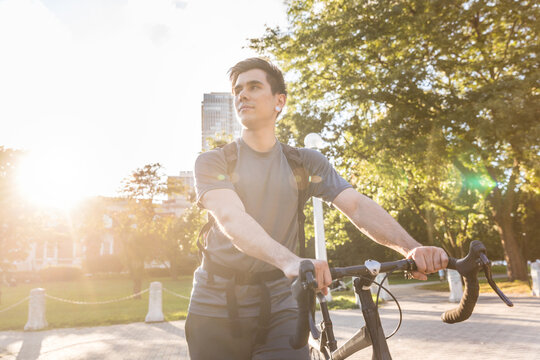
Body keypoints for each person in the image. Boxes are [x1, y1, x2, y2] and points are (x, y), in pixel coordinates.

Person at [186, 57, 449, 360]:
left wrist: (411, 248)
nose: (242, 94)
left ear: (279, 101)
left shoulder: (305, 162)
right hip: (216, 303)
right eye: (237, 90)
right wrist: (290, 262)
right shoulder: (213, 161)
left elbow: (358, 206)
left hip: (282, 302)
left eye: (254, 86)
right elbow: (231, 218)